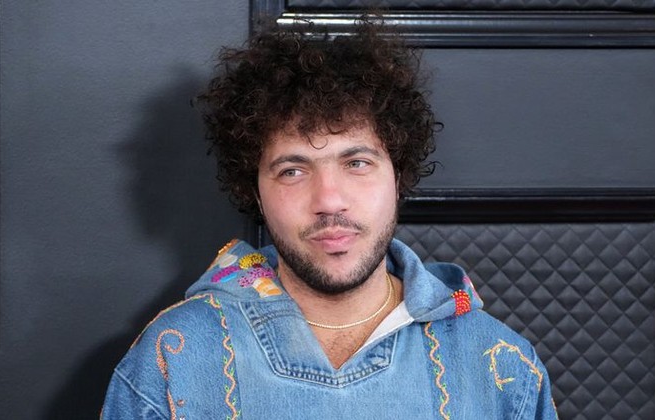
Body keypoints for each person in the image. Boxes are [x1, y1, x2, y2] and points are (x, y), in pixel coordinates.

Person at [102, 19, 558, 419]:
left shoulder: (502, 366)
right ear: (255, 192)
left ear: (398, 176)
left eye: (356, 163)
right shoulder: (172, 359)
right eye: (293, 171)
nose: (329, 200)